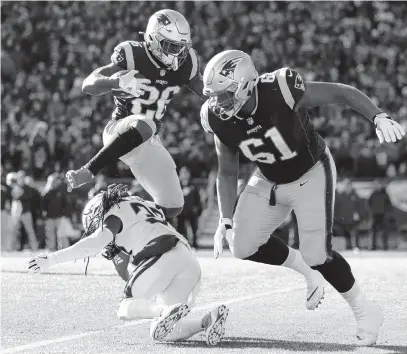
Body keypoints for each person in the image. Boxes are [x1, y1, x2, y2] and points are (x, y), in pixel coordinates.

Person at [200, 50, 405, 345]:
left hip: (310, 171)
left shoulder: (280, 88)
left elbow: (341, 93)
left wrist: (377, 115)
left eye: (225, 94)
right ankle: (304, 268)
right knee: (241, 245)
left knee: (318, 253)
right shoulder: (216, 117)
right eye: (214, 95)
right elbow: (227, 171)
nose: (218, 103)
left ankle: (365, 310)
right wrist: (226, 219)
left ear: (245, 84)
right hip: (268, 178)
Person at [28, 184, 229, 346]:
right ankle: (206, 321)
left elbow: (95, 242)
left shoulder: (113, 214)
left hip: (163, 254)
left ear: (98, 212)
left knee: (125, 307)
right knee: (164, 331)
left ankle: (163, 310)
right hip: (188, 260)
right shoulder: (140, 204)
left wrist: (51, 259)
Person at [66, 9, 203, 223]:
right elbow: (88, 84)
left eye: (182, 48)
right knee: (145, 123)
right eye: (172, 46)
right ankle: (88, 170)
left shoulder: (186, 64)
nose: (177, 54)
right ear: (153, 39)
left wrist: (222, 105)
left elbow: (204, 90)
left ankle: (124, 216)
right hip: (119, 129)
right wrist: (115, 83)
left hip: (148, 140)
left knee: (174, 205)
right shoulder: (133, 54)